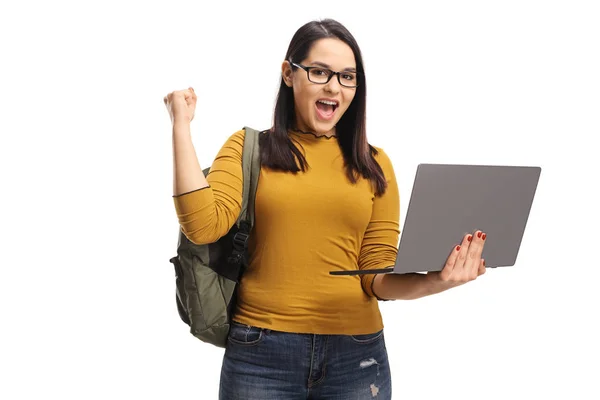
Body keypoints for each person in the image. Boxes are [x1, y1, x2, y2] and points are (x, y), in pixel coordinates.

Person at [164, 18, 486, 400]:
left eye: (347, 77)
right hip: (261, 353)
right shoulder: (248, 149)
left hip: (357, 356)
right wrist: (181, 125)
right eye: (320, 72)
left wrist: (440, 279)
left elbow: (376, 276)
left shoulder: (374, 164)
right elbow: (202, 226)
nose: (334, 87)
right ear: (289, 74)